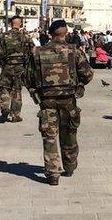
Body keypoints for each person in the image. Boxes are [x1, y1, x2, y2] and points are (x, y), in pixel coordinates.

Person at [26, 20, 94, 186]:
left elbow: (27, 77)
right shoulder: (74, 51)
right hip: (68, 101)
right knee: (69, 135)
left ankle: (52, 174)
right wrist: (79, 85)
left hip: (47, 102)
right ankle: (69, 165)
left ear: (50, 33)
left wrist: (35, 91)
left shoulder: (37, 52)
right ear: (66, 33)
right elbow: (87, 74)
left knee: (49, 137)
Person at [0, 16, 33, 122]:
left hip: (7, 66)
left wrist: (2, 63)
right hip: (20, 67)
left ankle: (5, 108)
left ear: (10, 24)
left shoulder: (4, 36)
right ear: (21, 24)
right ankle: (15, 115)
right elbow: (32, 52)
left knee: (5, 88)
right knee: (17, 90)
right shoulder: (25, 37)